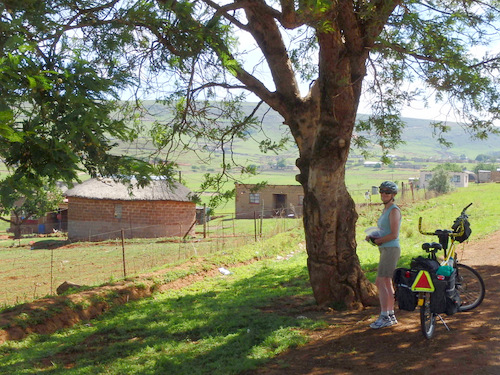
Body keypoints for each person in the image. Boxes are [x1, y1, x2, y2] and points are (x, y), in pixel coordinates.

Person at [367, 181, 402, 329]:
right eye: (382, 191)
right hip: (385, 249)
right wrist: (372, 236)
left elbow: (394, 234)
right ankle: (389, 315)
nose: (383, 194)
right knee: (384, 282)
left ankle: (386, 315)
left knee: (383, 282)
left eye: (387, 192)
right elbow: (385, 230)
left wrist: (379, 240)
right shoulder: (386, 210)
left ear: (393, 195)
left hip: (390, 248)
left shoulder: (394, 210)